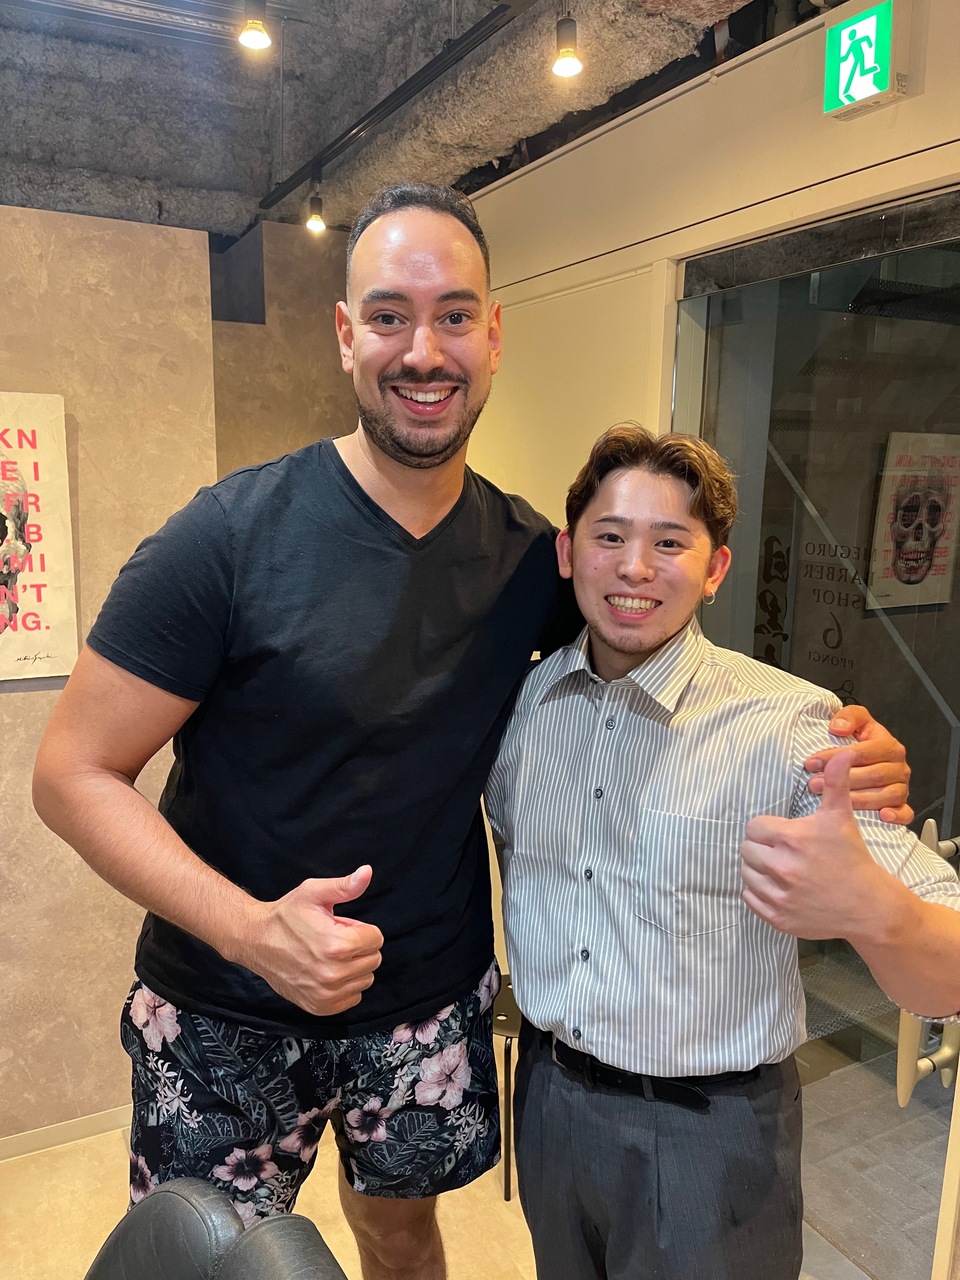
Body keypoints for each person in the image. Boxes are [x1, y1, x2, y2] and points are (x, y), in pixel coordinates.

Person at [33, 186, 908, 1280]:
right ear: (346, 334)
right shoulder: (226, 537)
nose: (423, 350)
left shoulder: (533, 560)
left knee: (401, 1237)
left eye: (453, 315)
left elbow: (650, 642)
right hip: (225, 1000)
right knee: (209, 1257)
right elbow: (71, 772)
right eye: (388, 316)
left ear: (493, 336)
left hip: (423, 1006)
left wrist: (841, 742)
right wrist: (253, 931)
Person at [484, 424, 960, 1280]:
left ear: (716, 569)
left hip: (710, 1137)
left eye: (670, 543)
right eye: (609, 537)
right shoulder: (521, 706)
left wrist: (873, 909)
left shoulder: (790, 726)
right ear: (567, 552)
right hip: (550, 1103)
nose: (635, 567)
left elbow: (949, 964)